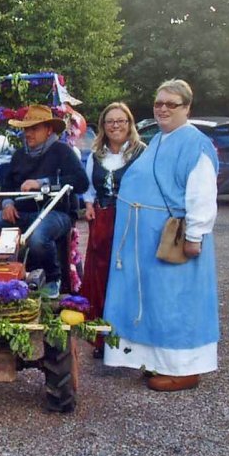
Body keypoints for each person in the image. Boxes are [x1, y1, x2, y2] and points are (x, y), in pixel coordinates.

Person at [104, 80, 219, 392]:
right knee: (155, 302)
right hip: (147, 242)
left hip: (175, 241)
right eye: (159, 103)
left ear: (187, 108)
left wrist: (195, 236)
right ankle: (158, 361)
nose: (163, 109)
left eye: (172, 104)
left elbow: (202, 194)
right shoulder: (160, 139)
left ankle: (186, 369)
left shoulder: (195, 144)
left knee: (176, 302)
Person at [0, 105, 90, 298]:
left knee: (38, 238)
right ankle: (0, 275)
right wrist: (7, 204)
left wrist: (42, 183)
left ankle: (53, 279)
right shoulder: (19, 155)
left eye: (34, 128)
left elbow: (81, 182)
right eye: (26, 129)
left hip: (56, 213)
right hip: (20, 213)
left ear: (49, 130)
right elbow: (7, 186)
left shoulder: (63, 152)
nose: (28, 133)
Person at [81, 102, 145, 358]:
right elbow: (88, 188)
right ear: (103, 126)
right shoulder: (96, 154)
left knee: (129, 277)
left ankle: (132, 339)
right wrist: (88, 205)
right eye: (110, 122)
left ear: (129, 124)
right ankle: (103, 339)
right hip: (103, 220)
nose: (115, 126)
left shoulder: (142, 153)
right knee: (101, 278)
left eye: (121, 121)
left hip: (131, 220)